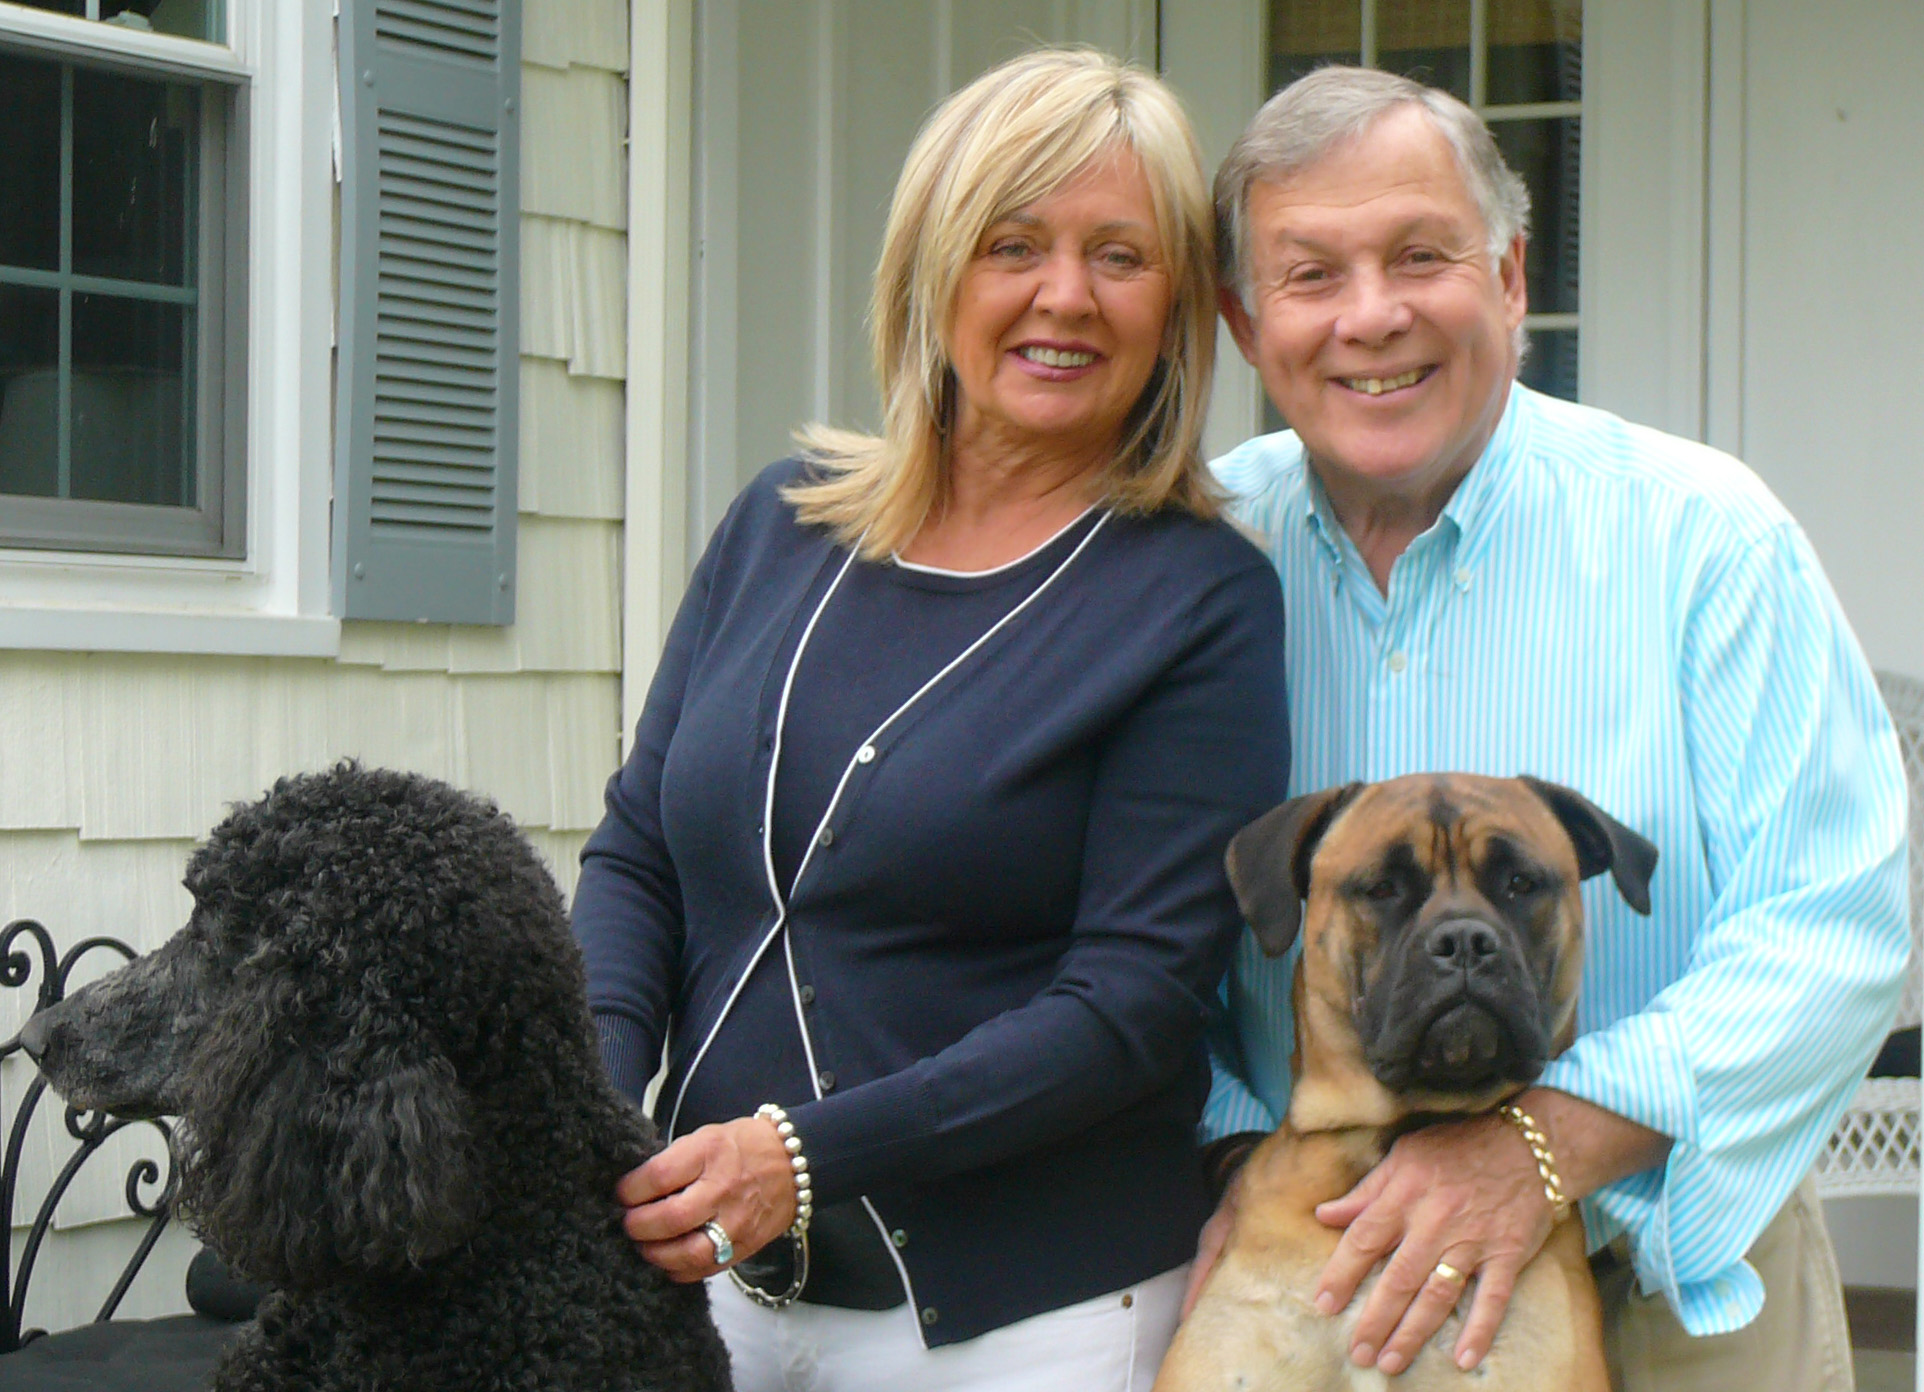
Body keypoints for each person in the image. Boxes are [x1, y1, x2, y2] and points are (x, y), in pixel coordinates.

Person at [571, 48, 1288, 1392]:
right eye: (1013, 243)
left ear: (1177, 305)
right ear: (930, 267)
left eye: (1119, 256)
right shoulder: (783, 523)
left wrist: (799, 1154)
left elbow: (1128, 1005)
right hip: (706, 1279)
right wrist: (595, 1108)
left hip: (1021, 1322)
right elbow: (639, 851)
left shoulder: (1198, 600)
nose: (1063, 295)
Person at [1192, 65, 1908, 1392]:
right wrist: (1241, 1154)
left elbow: (1836, 921)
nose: (1373, 316)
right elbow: (1121, 913)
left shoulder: (1703, 537)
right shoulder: (1191, 559)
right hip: (1307, 1268)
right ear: (1244, 320)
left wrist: (1548, 1144)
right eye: (1311, 275)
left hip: (1678, 1282)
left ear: (1512, 275)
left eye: (1422, 255)